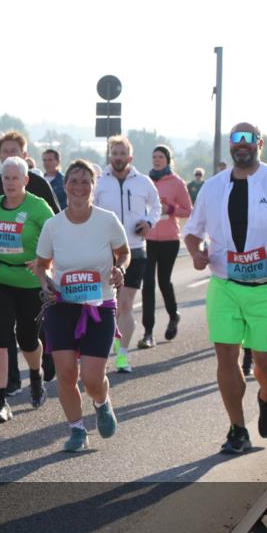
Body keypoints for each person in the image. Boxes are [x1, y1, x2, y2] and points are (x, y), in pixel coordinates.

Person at [183, 122, 267, 454]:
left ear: (260, 143)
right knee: (226, 355)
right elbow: (191, 231)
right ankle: (237, 429)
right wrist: (196, 252)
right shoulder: (212, 187)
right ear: (230, 146)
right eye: (235, 139)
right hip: (225, 285)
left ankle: (265, 396)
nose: (241, 144)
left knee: (265, 362)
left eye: (248, 139)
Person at [35, 160, 129, 452]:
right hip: (62, 305)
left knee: (91, 377)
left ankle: (101, 402)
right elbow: (42, 265)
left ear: (93, 186)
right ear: (65, 187)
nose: (78, 187)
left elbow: (123, 253)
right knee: (65, 374)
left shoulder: (107, 220)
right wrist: (46, 281)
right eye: (73, 181)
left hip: (99, 305)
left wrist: (120, 269)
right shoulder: (53, 225)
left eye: (85, 181)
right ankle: (77, 430)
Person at [0, 157, 54, 422]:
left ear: (25, 180)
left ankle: (35, 373)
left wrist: (44, 260)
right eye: (5, 178)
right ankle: (0, 402)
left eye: (14, 178)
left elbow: (57, 236)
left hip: (29, 282)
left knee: (28, 339)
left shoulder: (38, 207)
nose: (9, 183)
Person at [0, 131, 60, 392]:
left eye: (14, 152)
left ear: (25, 156)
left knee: (30, 333)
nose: (9, 156)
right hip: (1, 275)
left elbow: (55, 227)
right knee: (2, 332)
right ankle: (9, 383)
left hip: (33, 275)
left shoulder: (39, 187)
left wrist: (45, 263)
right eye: (5, 152)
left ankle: (44, 360)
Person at [93, 135, 160, 373]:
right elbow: (89, 209)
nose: (118, 157)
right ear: (110, 156)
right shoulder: (100, 182)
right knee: (106, 304)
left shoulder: (143, 182)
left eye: (122, 153)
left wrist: (149, 222)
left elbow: (157, 205)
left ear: (129, 157)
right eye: (114, 153)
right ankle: (103, 347)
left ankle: (122, 356)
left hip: (135, 250)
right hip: (106, 252)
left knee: (125, 304)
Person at [139, 145, 192, 348]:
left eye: (160, 156)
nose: (157, 160)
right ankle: (148, 332)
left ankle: (173, 315)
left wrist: (172, 208)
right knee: (148, 285)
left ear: (168, 160)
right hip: (148, 238)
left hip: (170, 239)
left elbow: (188, 210)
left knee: (164, 282)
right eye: (154, 156)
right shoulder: (145, 182)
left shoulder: (177, 183)